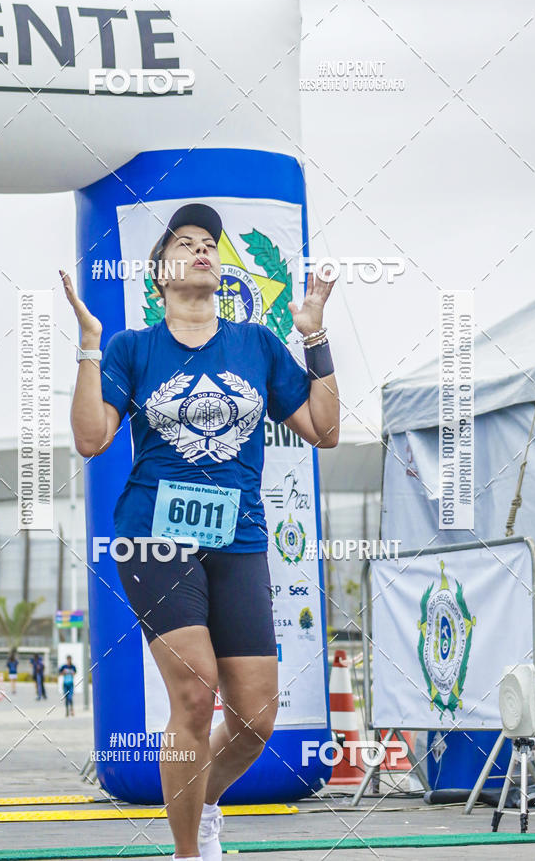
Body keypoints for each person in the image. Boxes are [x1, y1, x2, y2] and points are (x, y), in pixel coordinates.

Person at [61, 202, 339, 861]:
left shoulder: (257, 346)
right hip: (155, 536)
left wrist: (314, 336)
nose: (202, 249)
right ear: (160, 273)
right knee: (194, 689)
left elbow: (325, 432)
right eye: (185, 242)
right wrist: (90, 346)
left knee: (255, 718)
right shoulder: (134, 347)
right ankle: (191, 853)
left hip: (238, 540)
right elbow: (90, 438)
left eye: (210, 243)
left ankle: (202, 805)